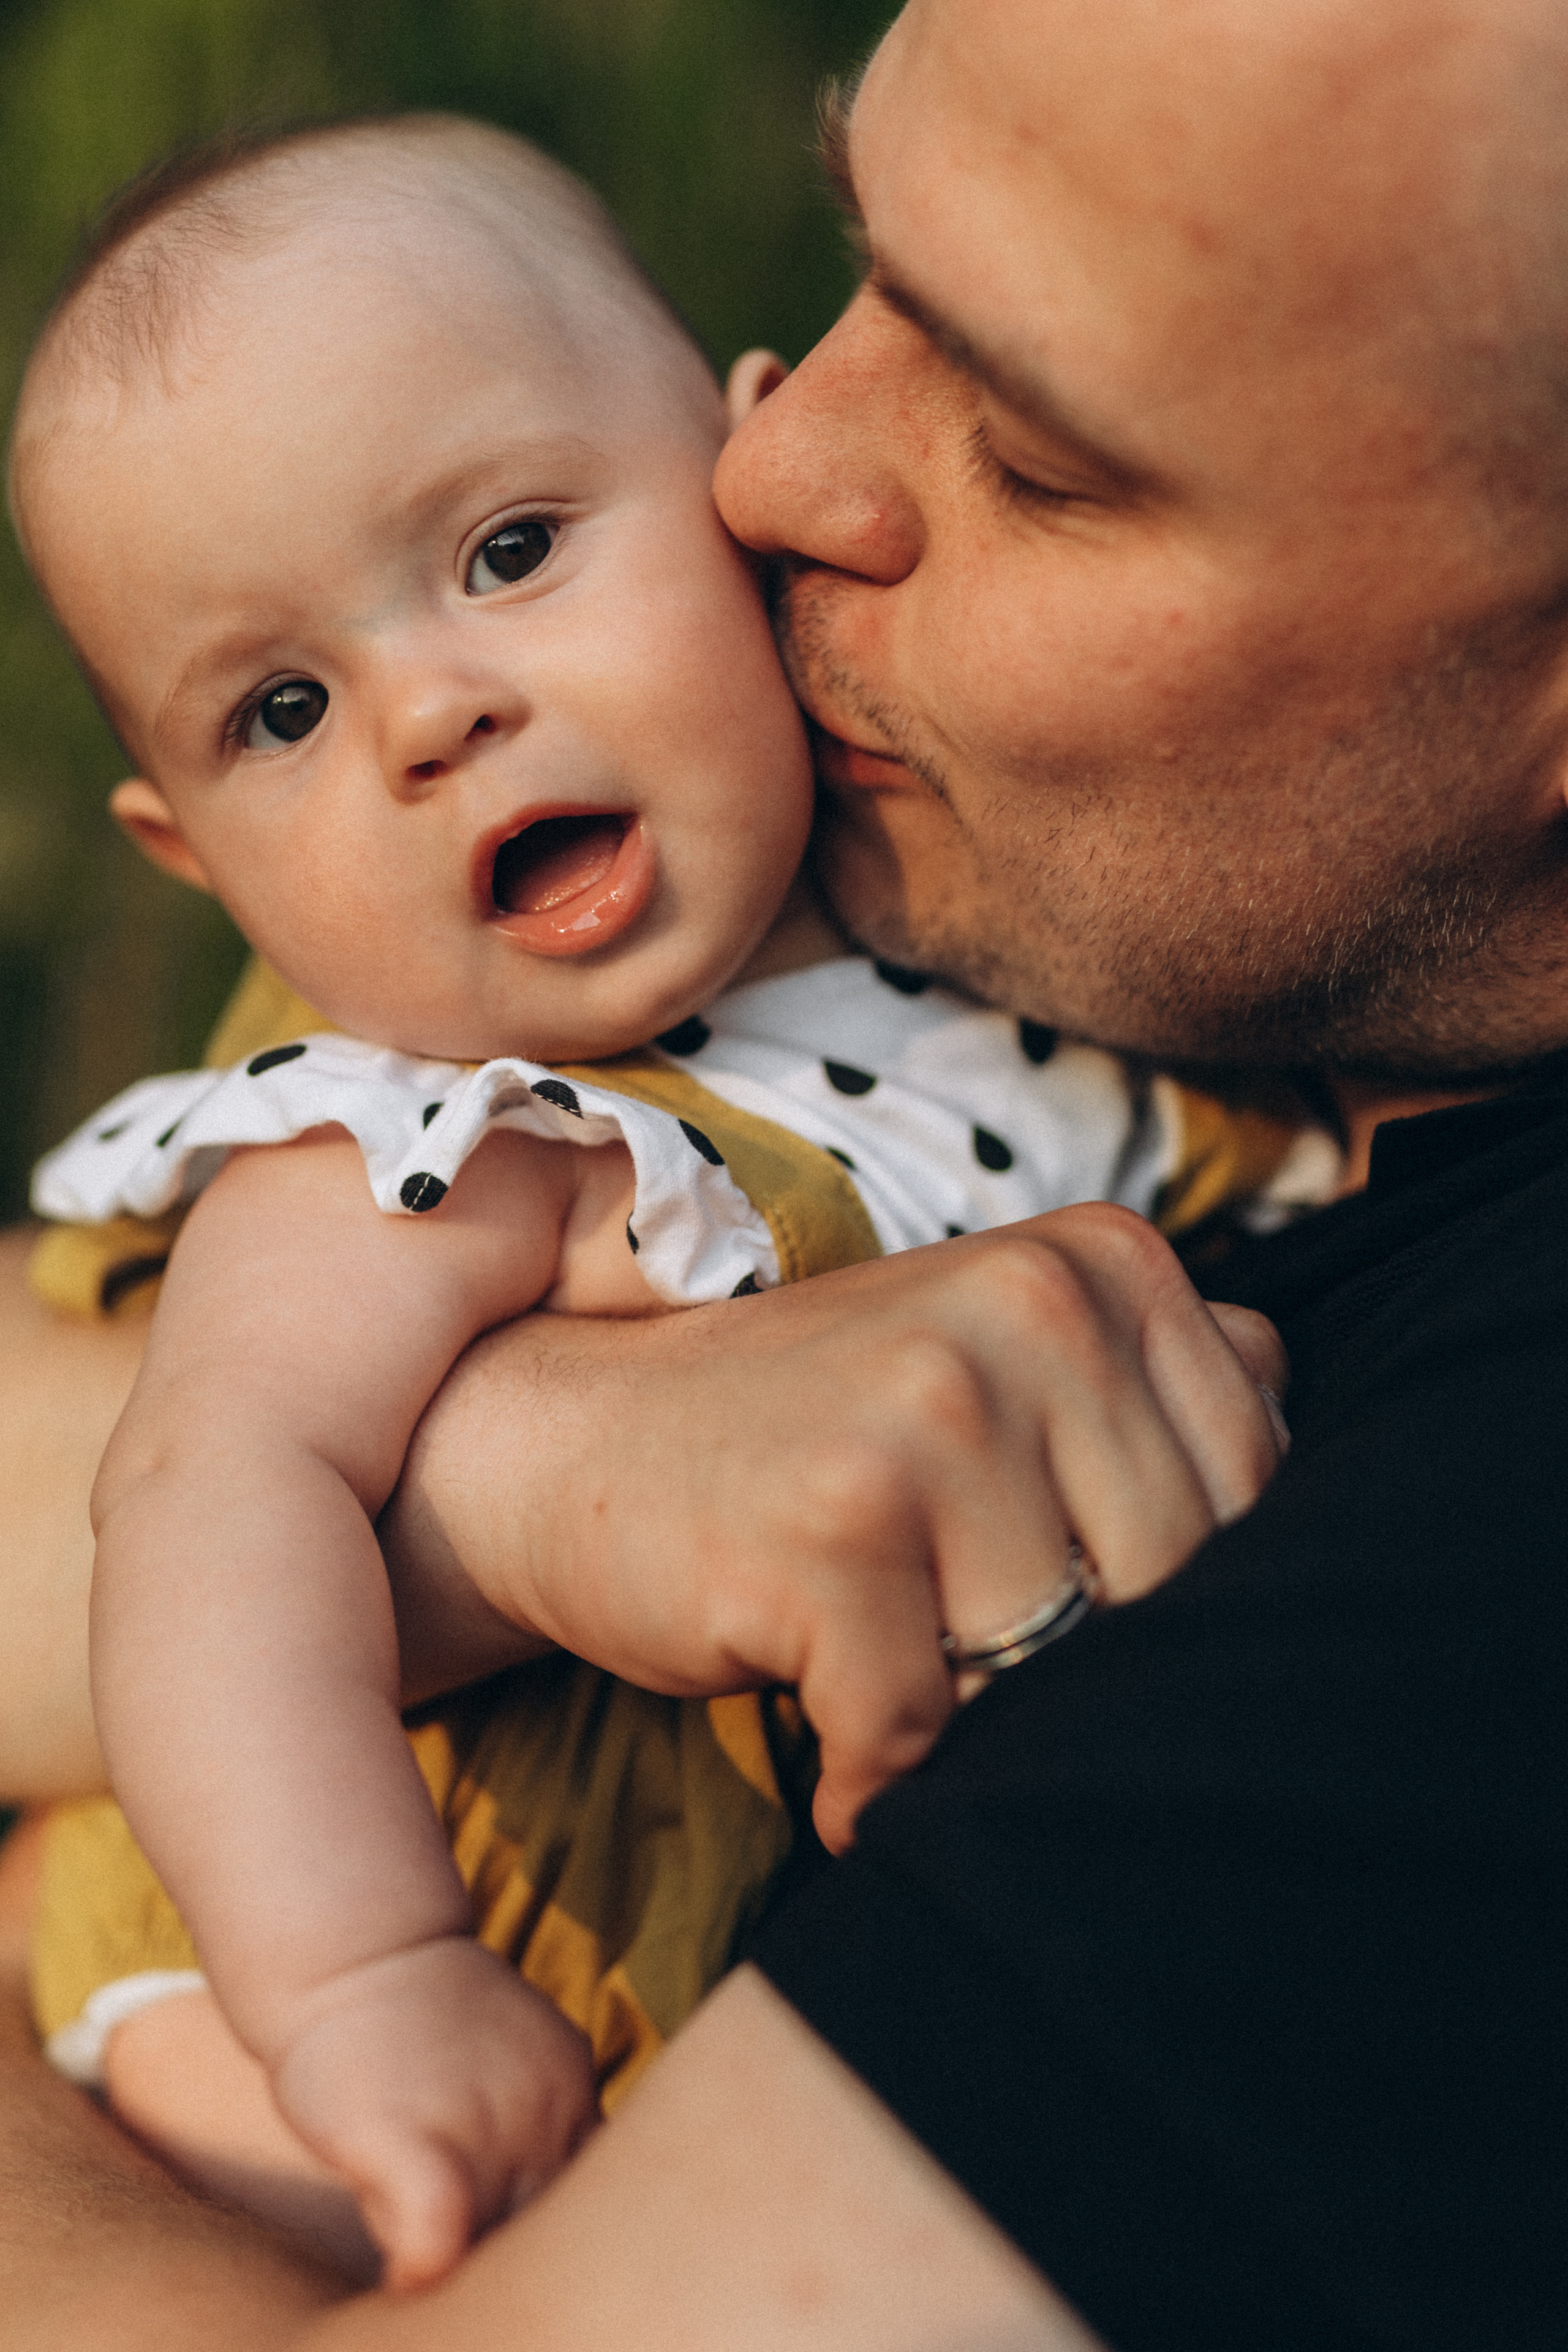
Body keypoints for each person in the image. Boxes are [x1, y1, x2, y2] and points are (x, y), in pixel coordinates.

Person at [1, 0, 1566, 2342]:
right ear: (192, 858)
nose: (774, 463)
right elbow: (207, 1488)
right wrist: (361, 1971)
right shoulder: (450, 1105)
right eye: (284, 711)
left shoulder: (1468, 1525)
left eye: (1036, 454)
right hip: (328, 1995)